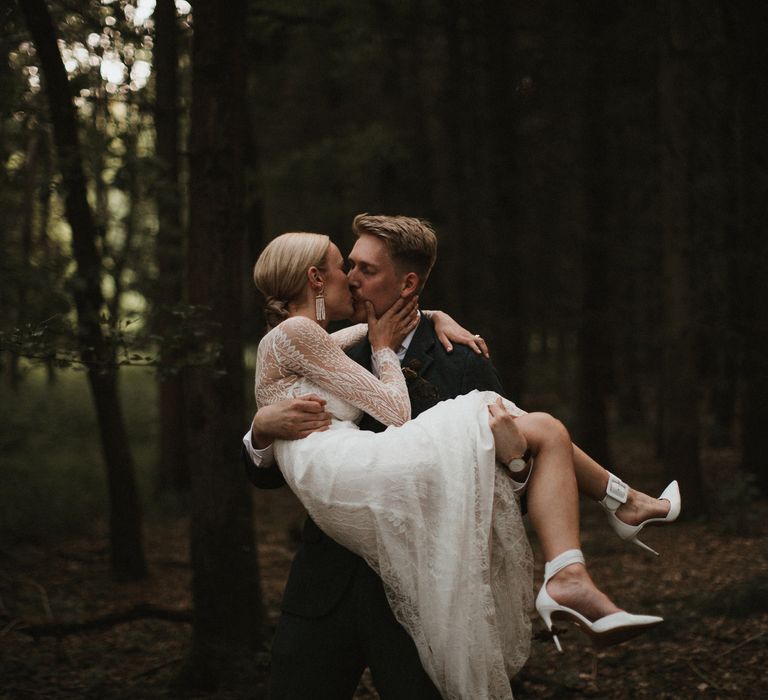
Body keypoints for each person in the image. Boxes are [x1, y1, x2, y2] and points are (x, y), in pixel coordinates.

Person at [244, 216, 680, 700]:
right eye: (346, 266)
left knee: (536, 430)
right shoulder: (322, 340)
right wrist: (260, 431)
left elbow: (507, 477)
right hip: (328, 588)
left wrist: (515, 464)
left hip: (422, 590)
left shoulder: (464, 359)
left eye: (364, 269)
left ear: (407, 282)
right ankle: (603, 530)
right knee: (546, 427)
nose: (351, 278)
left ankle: (607, 526)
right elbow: (274, 464)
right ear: (316, 278)